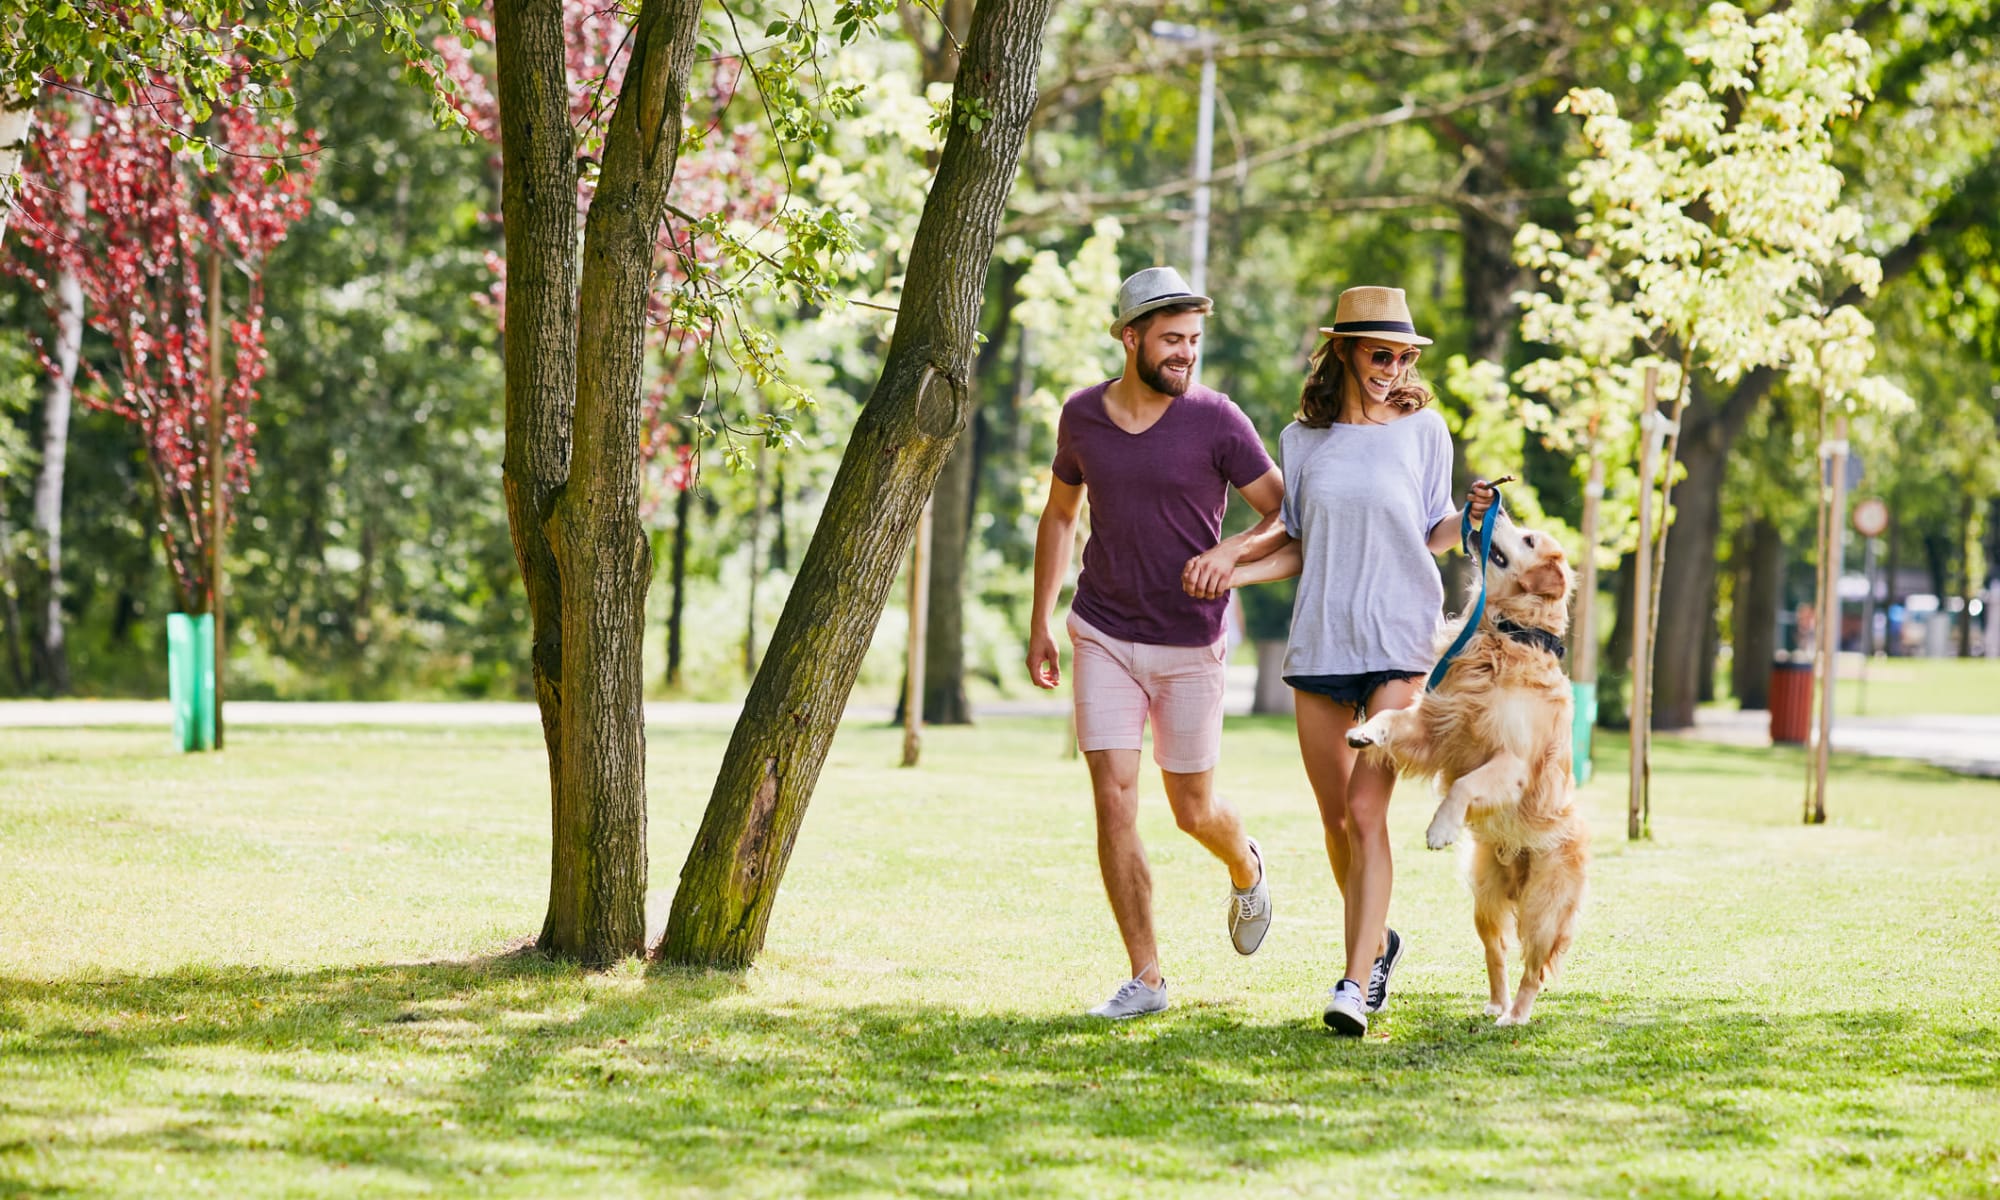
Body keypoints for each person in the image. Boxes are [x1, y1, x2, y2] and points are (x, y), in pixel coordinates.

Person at [1212, 286, 1494, 1037]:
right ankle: (1379, 944)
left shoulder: (1424, 429)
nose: (1392, 368)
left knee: (1369, 814)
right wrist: (1232, 571)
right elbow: (1298, 543)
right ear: (1343, 350)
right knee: (1337, 819)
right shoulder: (1301, 441)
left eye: (1403, 356)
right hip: (1323, 639)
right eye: (1380, 354)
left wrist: (1466, 522)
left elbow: (1434, 531)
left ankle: (1352, 979)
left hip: (1400, 639)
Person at [1026, 266, 1290, 1020]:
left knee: (1192, 810)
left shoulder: (1218, 421)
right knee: (1113, 802)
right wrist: (1041, 619)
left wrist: (1230, 553)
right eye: (1172, 341)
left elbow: (1280, 513)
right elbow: (1058, 515)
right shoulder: (1082, 416)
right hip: (1102, 630)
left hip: (1190, 640)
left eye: (1194, 342)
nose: (1186, 355)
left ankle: (1246, 864)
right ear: (1130, 338)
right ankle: (1146, 977)